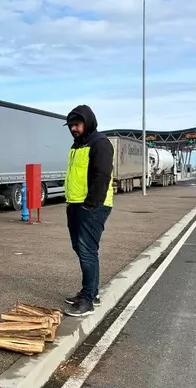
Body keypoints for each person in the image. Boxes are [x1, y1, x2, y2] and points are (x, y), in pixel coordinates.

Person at [62, 104, 114, 317]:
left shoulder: (100, 143)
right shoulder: (77, 145)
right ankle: (91, 291)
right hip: (75, 203)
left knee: (86, 250)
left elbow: (102, 176)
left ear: (88, 122)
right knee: (81, 248)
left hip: (92, 206)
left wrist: (90, 204)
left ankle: (88, 301)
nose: (74, 128)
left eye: (78, 124)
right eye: (71, 125)